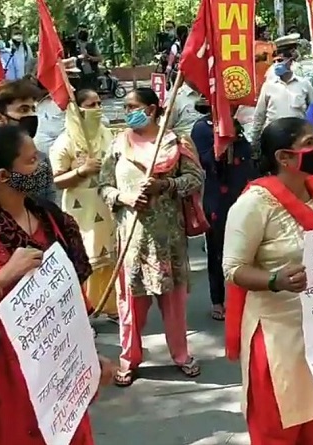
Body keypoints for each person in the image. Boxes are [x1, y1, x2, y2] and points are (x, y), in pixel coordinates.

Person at [0, 125, 114, 444]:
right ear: (2, 176)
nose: (42, 166)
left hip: (62, 386)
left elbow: (71, 305)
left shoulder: (53, 220)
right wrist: (4, 277)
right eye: (30, 161)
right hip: (6, 393)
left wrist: (90, 355)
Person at [223, 116, 313, 444]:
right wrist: (274, 280)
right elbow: (233, 268)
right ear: (283, 157)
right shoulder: (254, 204)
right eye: (308, 143)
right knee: (279, 425)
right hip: (278, 335)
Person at [98, 88, 204, 386]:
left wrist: (166, 185)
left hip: (168, 240)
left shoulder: (175, 142)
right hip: (131, 242)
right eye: (126, 106)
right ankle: (129, 359)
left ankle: (181, 355)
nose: (128, 111)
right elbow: (103, 185)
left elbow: (195, 179)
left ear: (153, 109)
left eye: (135, 106)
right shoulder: (118, 143)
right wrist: (125, 197)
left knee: (174, 305)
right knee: (130, 307)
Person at [49, 89, 118, 319]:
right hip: (81, 209)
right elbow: (56, 181)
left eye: (99, 103)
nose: (97, 109)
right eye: (91, 105)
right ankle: (84, 312)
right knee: (85, 256)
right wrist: (82, 171)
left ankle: (112, 305)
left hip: (108, 204)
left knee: (112, 253)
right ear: (77, 110)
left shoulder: (108, 134)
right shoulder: (64, 142)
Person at [190, 97, 259, 320]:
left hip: (242, 194)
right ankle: (218, 299)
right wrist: (224, 139)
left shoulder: (240, 126)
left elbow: (249, 158)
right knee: (217, 250)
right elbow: (206, 161)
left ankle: (245, 295)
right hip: (216, 196)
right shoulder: (201, 128)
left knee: (248, 248)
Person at [0, 79, 54, 205]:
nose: (31, 115)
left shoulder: (41, 159)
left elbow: (51, 202)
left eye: (33, 109)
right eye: (23, 110)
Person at [249, 44, 313, 146]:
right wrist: (253, 139)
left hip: (298, 137)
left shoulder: (304, 84)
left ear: (290, 61)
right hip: (274, 136)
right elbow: (259, 115)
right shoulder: (268, 86)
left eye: (280, 61)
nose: (276, 64)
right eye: (274, 61)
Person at [76, 24, 102, 90]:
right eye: (80, 31)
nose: (82, 32)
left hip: (91, 74)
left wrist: (89, 57)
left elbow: (100, 58)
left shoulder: (92, 45)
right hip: (78, 75)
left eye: (84, 30)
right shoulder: (73, 46)